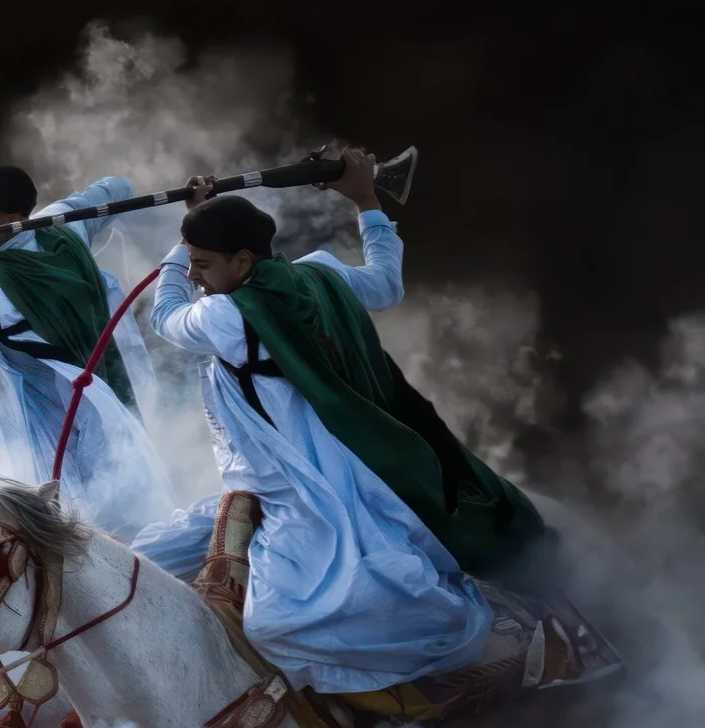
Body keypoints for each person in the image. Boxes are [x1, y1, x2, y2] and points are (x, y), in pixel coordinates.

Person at [129, 152, 555, 693]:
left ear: (241, 260)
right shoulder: (320, 274)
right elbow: (384, 285)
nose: (194, 276)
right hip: (270, 478)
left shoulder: (226, 315)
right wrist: (367, 201)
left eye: (203, 265)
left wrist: (175, 249)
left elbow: (167, 316)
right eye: (192, 265)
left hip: (303, 488)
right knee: (146, 557)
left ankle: (487, 634)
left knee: (276, 625)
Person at [0, 165, 173, 542]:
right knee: (127, 517)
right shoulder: (65, 226)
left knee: (54, 534)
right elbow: (114, 188)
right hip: (109, 408)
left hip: (45, 435)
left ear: (12, 219)